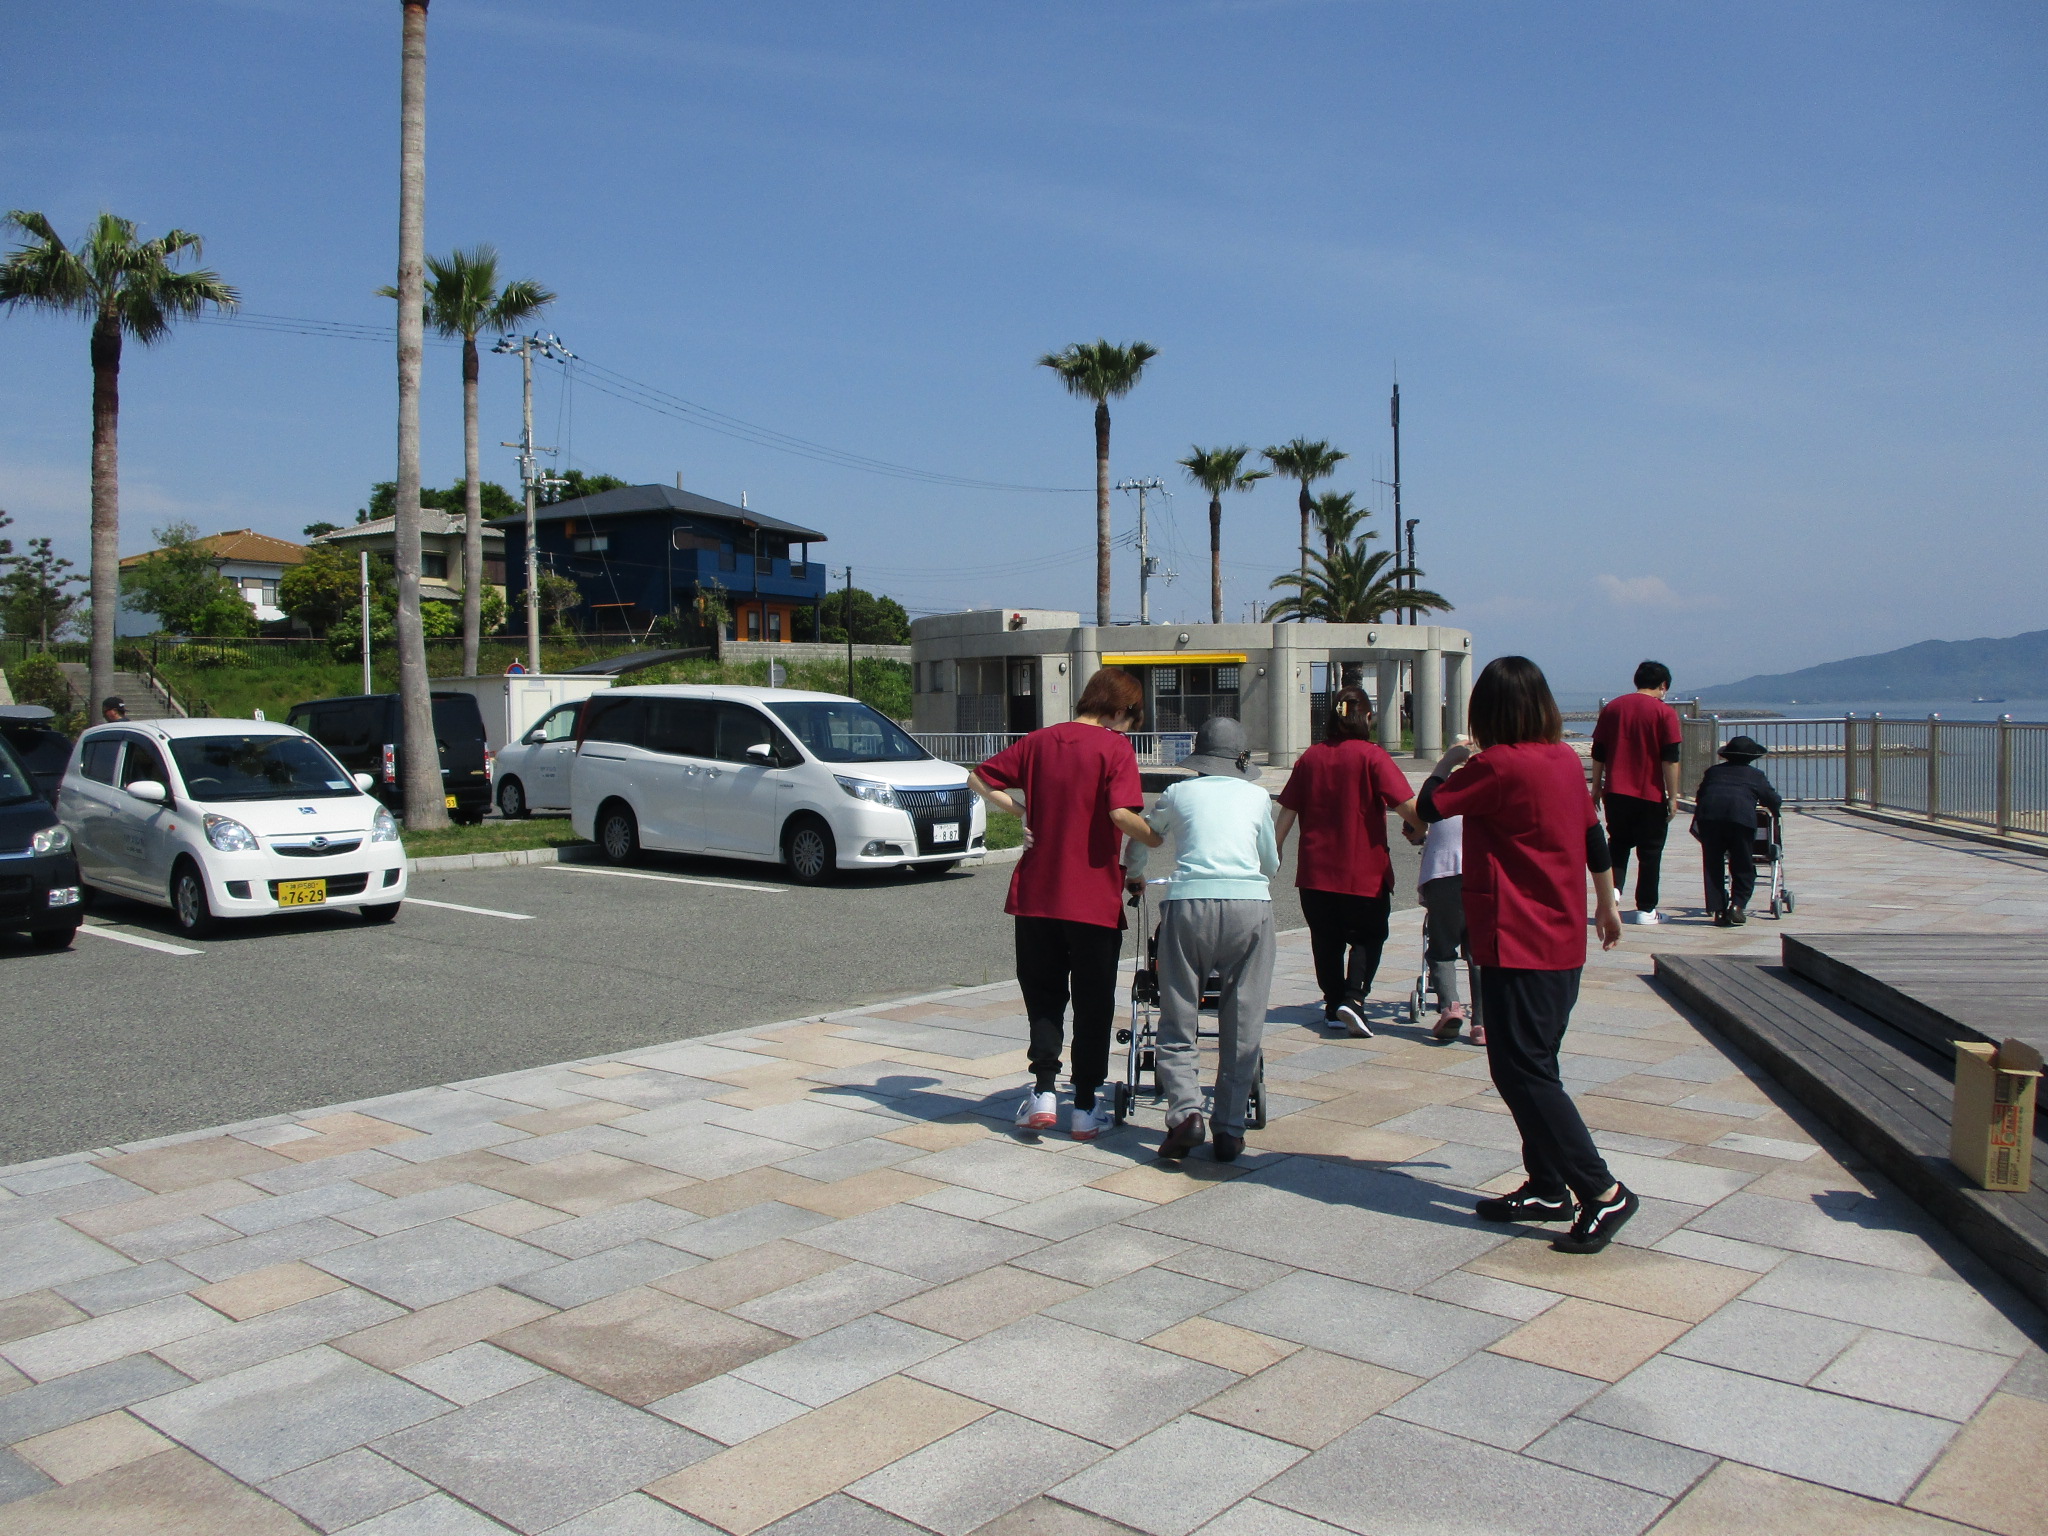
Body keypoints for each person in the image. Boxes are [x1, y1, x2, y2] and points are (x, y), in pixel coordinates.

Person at [1419, 655, 1636, 1254]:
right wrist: (1607, 901)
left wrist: (1446, 763)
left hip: (1518, 937)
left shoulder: (1496, 766)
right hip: (1560, 937)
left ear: (1485, 712)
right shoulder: (1565, 760)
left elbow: (1427, 810)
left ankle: (1602, 1190)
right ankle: (1547, 1185)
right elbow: (1594, 835)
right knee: (1534, 1064)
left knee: (1523, 1070)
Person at [970, 668, 1162, 1141]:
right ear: (1120, 710)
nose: (1130, 727)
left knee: (1043, 995)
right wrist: (1156, 837)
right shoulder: (1115, 748)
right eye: (1131, 717)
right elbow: (1121, 813)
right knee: (1093, 1002)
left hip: (1037, 894)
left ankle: (1042, 1092)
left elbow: (978, 776)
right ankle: (1083, 1105)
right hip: (1092, 896)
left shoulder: (1037, 741)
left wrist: (1020, 812)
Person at [1123, 715, 1279, 1164]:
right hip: (1250, 907)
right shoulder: (1256, 797)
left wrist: (1135, 877)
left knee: (1178, 1013)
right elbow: (1269, 862)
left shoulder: (1178, 793)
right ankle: (1229, 1128)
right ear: (1241, 760)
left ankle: (1186, 1113)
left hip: (1188, 905)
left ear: (1199, 758)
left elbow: (1143, 838)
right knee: (1243, 1021)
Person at [1274, 687, 1424, 1036]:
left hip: (1315, 872)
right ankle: (1354, 999)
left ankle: (1331, 1004)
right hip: (1362, 871)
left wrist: (1274, 849)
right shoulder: (1373, 757)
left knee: (1325, 940)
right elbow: (1407, 806)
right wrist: (1421, 826)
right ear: (1367, 717)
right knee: (1368, 936)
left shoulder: (1310, 757)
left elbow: (1287, 811)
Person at [1591, 661, 1682, 924]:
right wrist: (1672, 796)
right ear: (1663, 686)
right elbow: (1670, 758)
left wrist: (1596, 787)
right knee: (1650, 852)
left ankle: (1615, 891)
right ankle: (1646, 909)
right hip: (1649, 793)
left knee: (1618, 843)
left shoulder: (1613, 708)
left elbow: (1599, 751)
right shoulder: (1664, 713)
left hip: (1616, 792)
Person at [1693, 735, 1781, 927]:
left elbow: (1701, 796)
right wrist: (1775, 811)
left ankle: (1718, 909)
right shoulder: (1755, 775)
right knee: (1743, 863)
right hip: (1739, 818)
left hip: (1709, 818)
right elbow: (1771, 799)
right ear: (1751, 758)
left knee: (1713, 865)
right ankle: (1738, 905)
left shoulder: (1713, 772)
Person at [1415, 799, 1481, 1045]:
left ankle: (1450, 1006)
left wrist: (1414, 832)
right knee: (1480, 953)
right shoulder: (1489, 795)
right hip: (1481, 875)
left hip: (1442, 876)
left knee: (1441, 948)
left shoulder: (1440, 797)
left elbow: (1415, 825)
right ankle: (1482, 1024)